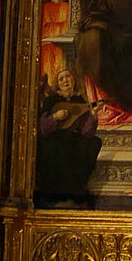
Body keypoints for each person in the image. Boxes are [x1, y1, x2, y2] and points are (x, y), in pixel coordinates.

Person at [35, 67, 101, 204]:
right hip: (54, 139)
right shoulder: (51, 101)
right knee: (58, 145)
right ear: (57, 84)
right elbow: (42, 128)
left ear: (74, 80)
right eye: (61, 78)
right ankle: (57, 192)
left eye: (68, 77)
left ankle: (76, 188)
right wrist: (54, 117)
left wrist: (93, 115)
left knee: (94, 142)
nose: (65, 80)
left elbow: (86, 132)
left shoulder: (81, 102)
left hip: (73, 140)